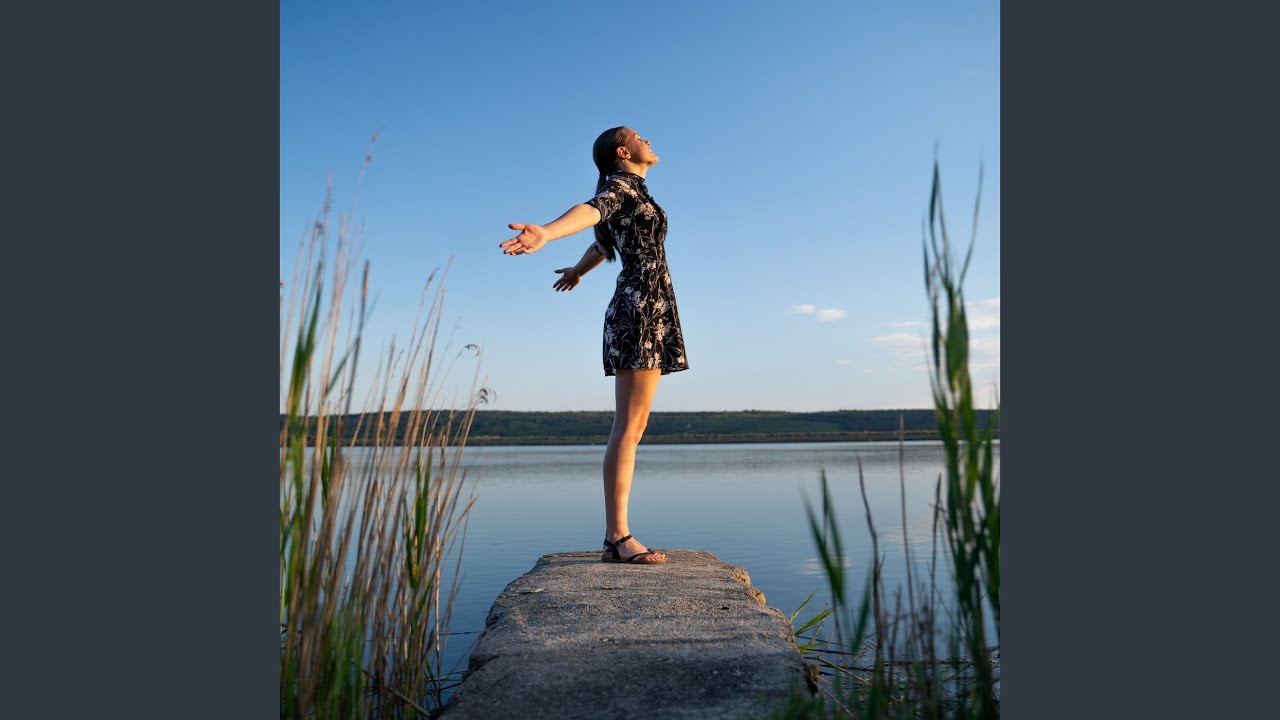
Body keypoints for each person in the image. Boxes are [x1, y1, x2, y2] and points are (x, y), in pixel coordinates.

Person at [500, 127, 688, 565]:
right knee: (628, 427)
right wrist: (546, 232)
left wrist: (580, 272)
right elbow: (590, 213)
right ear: (623, 152)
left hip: (650, 308)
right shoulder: (619, 187)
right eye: (640, 136)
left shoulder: (635, 193)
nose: (650, 139)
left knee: (633, 428)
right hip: (639, 308)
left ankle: (616, 537)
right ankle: (617, 537)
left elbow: (603, 241)